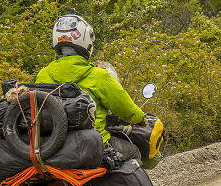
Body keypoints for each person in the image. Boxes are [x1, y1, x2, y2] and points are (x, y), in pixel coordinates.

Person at [36, 12, 145, 162]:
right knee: (133, 152)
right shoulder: (98, 75)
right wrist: (139, 118)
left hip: (51, 147)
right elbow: (125, 108)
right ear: (86, 41)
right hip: (93, 145)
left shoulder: (42, 75)